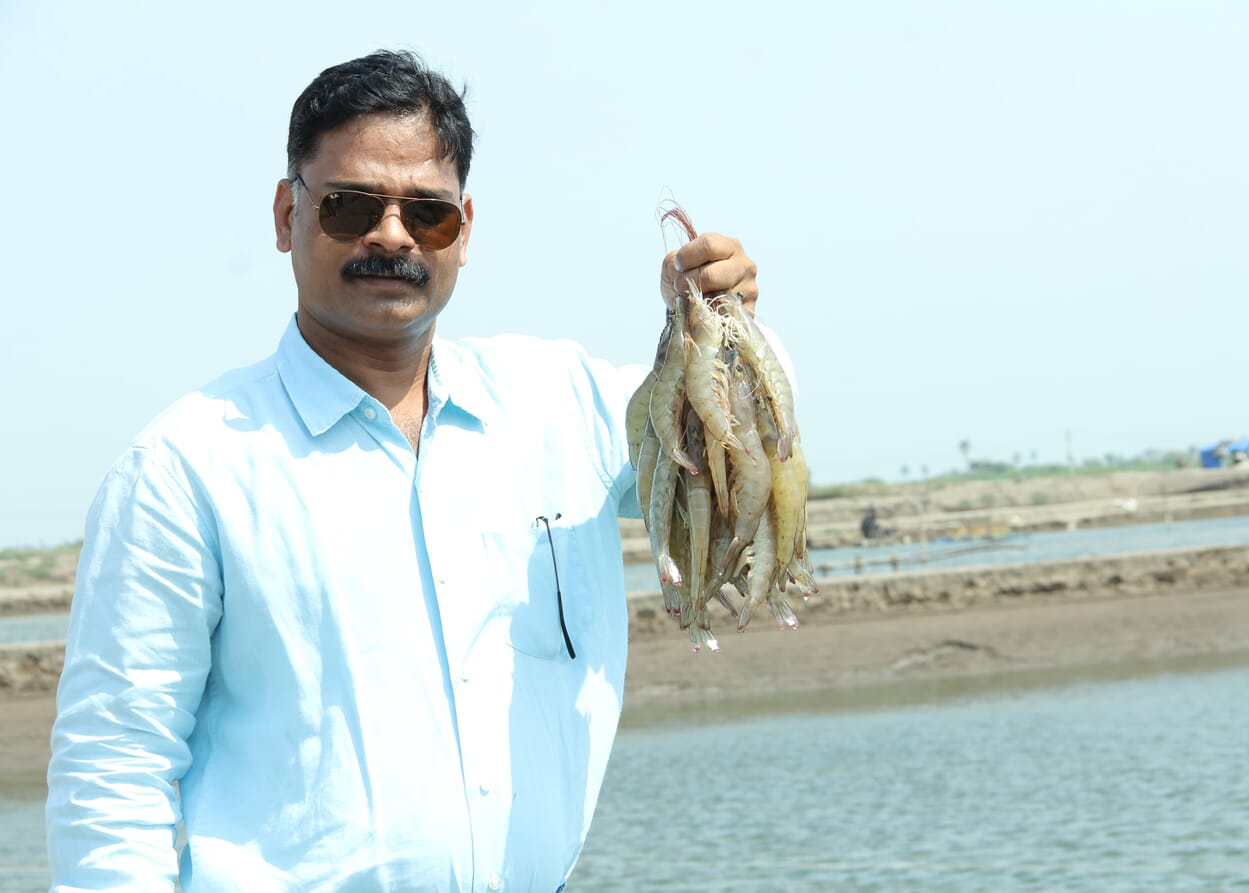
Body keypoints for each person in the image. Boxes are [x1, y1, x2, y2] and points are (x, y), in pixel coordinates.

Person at [46, 50, 770, 892]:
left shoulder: (562, 404)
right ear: (287, 214)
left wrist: (728, 323)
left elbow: (732, 447)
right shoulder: (184, 469)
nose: (391, 236)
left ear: (465, 229)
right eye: (351, 206)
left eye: (426, 214)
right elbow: (113, 771)